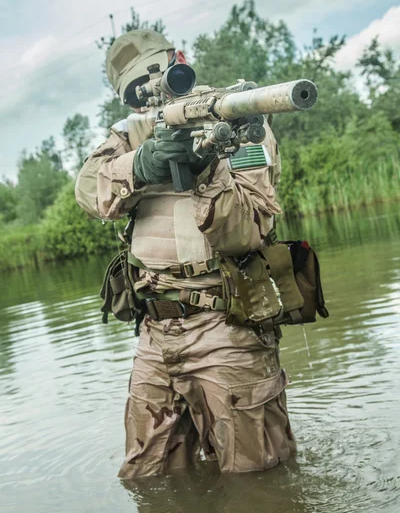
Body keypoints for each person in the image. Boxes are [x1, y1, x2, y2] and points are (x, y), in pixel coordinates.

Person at [75, 28, 296, 478]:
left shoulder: (238, 121)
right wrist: (143, 164)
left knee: (259, 483)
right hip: (154, 335)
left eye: (157, 78)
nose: (148, 96)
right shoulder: (131, 134)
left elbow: (248, 234)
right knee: (150, 481)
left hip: (228, 328)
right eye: (137, 90)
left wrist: (206, 165)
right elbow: (87, 191)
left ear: (180, 59)